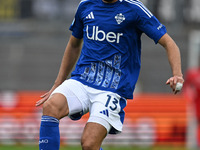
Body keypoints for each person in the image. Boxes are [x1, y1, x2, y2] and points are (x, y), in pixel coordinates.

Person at [36, 0, 184, 150]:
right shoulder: (86, 5)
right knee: (51, 106)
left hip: (112, 89)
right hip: (82, 80)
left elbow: (169, 43)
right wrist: (58, 83)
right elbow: (74, 44)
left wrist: (177, 74)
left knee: (89, 144)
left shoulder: (134, 9)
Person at [184, 67, 200, 147]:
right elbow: (186, 84)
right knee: (195, 125)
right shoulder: (194, 74)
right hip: (196, 106)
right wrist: (187, 94)